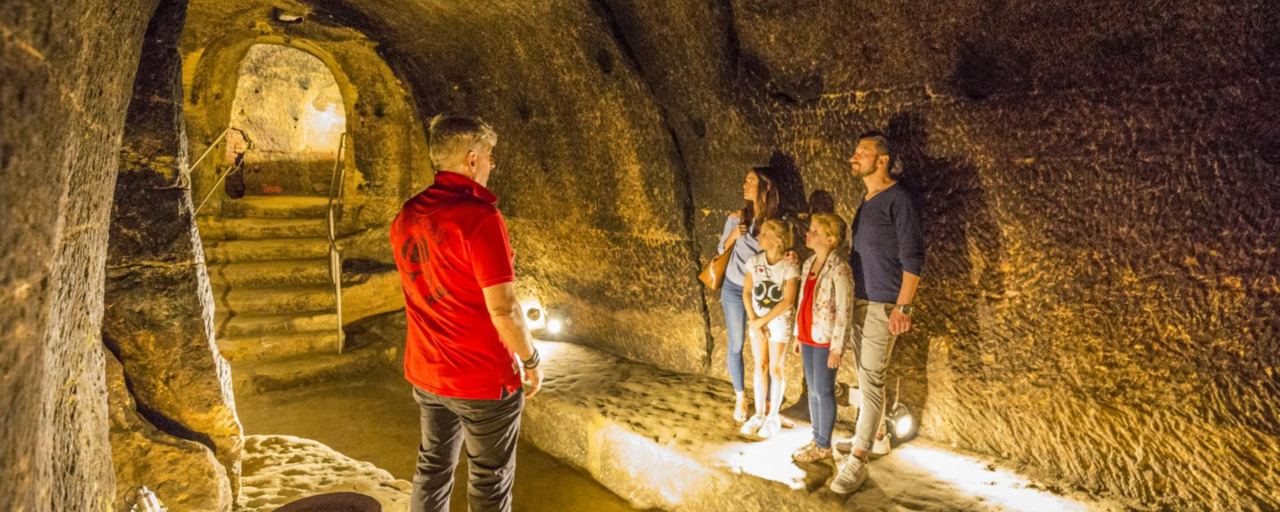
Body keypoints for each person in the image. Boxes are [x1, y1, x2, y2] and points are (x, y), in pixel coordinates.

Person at [390, 114, 544, 512]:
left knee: (432, 467)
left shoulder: (407, 215)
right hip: (481, 378)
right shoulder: (480, 217)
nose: (493, 164)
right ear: (472, 159)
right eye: (490, 155)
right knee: (490, 481)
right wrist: (530, 359)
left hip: (428, 373)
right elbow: (505, 309)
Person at [830, 131, 925, 494]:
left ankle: (859, 458)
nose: (853, 158)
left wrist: (903, 305)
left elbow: (913, 256)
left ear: (882, 159)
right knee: (869, 377)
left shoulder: (897, 198)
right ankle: (880, 435)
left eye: (861, 152)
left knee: (871, 381)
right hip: (862, 300)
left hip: (883, 303)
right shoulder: (867, 200)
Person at [717, 167, 784, 422]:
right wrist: (735, 233)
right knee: (736, 343)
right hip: (734, 287)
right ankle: (741, 397)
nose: (745, 186)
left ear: (766, 187)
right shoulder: (738, 217)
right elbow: (721, 247)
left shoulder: (776, 221)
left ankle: (766, 403)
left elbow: (782, 249)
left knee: (764, 346)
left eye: (751, 181)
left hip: (761, 292)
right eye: (745, 180)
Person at [790, 213, 854, 463]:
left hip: (825, 339)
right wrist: (798, 334)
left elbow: (844, 309)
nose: (809, 233)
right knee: (813, 391)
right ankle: (817, 439)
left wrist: (837, 348)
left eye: (815, 231)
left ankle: (824, 444)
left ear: (830, 239)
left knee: (823, 390)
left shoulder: (839, 268)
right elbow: (802, 300)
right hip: (808, 336)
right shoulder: (808, 264)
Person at [739, 219, 800, 438]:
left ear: (778, 240)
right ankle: (760, 413)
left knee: (776, 368)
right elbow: (746, 292)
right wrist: (754, 318)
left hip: (777, 320)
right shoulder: (754, 261)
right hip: (757, 318)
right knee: (760, 365)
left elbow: (788, 301)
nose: (759, 237)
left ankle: (773, 415)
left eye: (764, 233)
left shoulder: (790, 265)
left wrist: (761, 322)